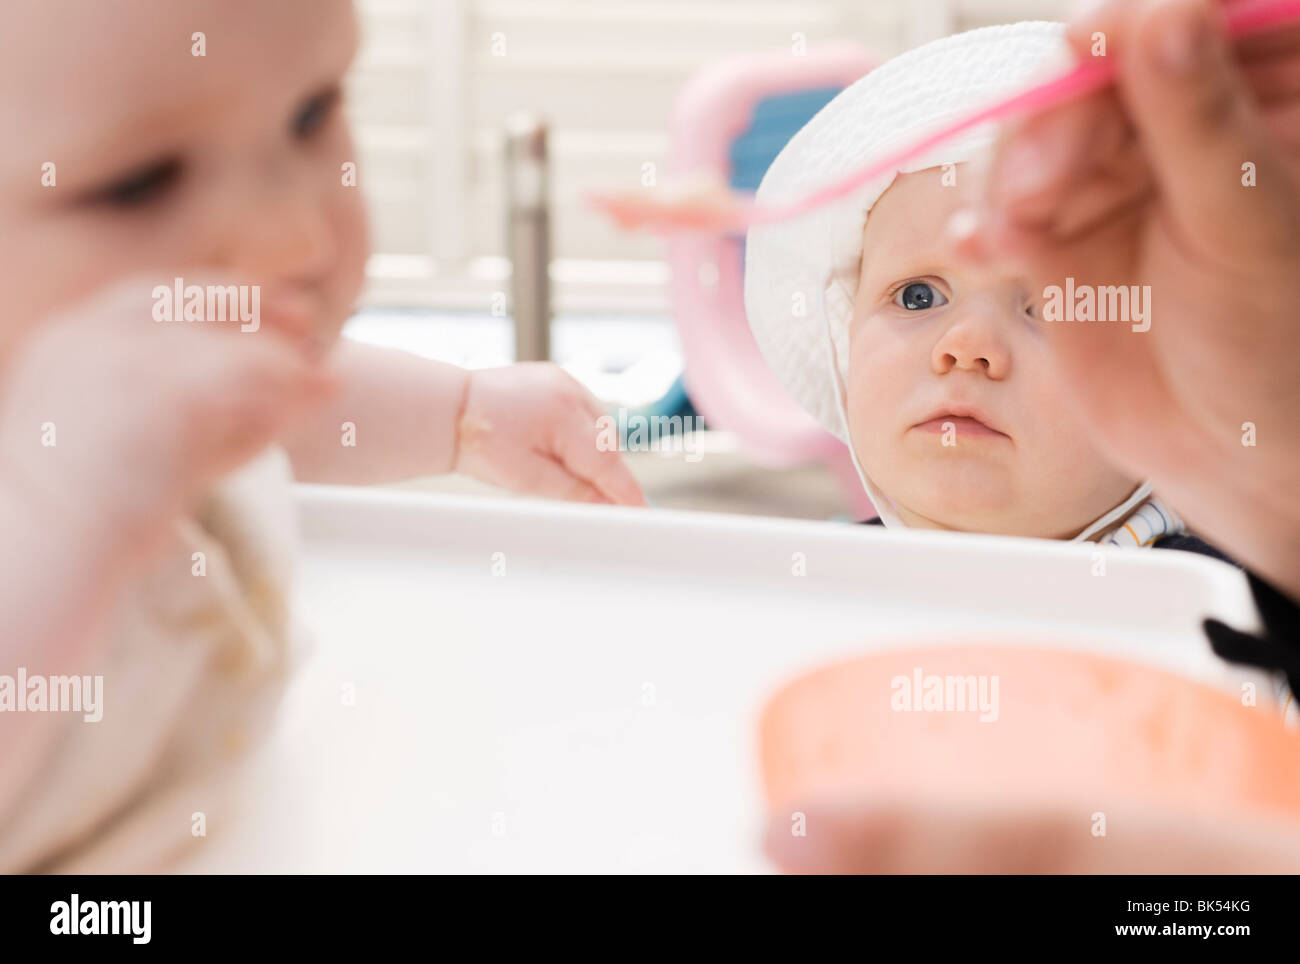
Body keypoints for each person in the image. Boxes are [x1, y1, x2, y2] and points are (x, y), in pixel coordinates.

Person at [0, 0, 643, 871]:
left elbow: (284, 410)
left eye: (309, 115)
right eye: (140, 182)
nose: (293, 235)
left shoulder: (169, 383)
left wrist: (462, 415)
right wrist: (64, 524)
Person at [766, 0, 1300, 873]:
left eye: (1046, 307)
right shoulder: (799, 591)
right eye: (916, 296)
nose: (965, 345)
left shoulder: (1235, 601)